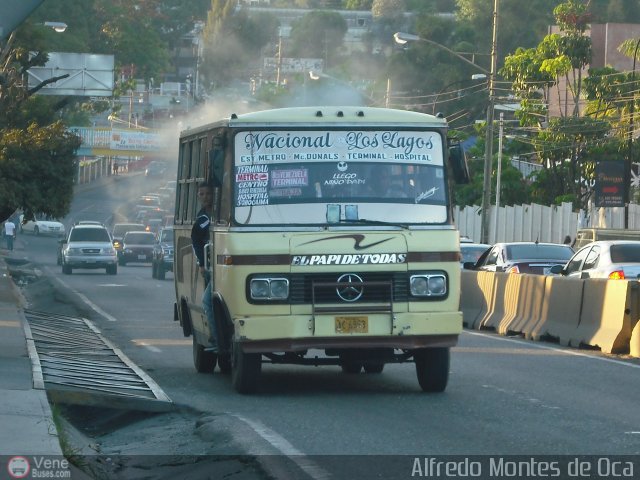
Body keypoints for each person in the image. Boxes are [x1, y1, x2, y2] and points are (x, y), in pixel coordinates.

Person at [191, 182, 217, 350]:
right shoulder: (202, 220)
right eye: (202, 194)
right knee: (209, 302)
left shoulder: (223, 213)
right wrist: (202, 264)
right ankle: (214, 336)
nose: (206, 197)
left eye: (208, 193)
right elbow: (196, 243)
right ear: (198, 197)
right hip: (210, 268)